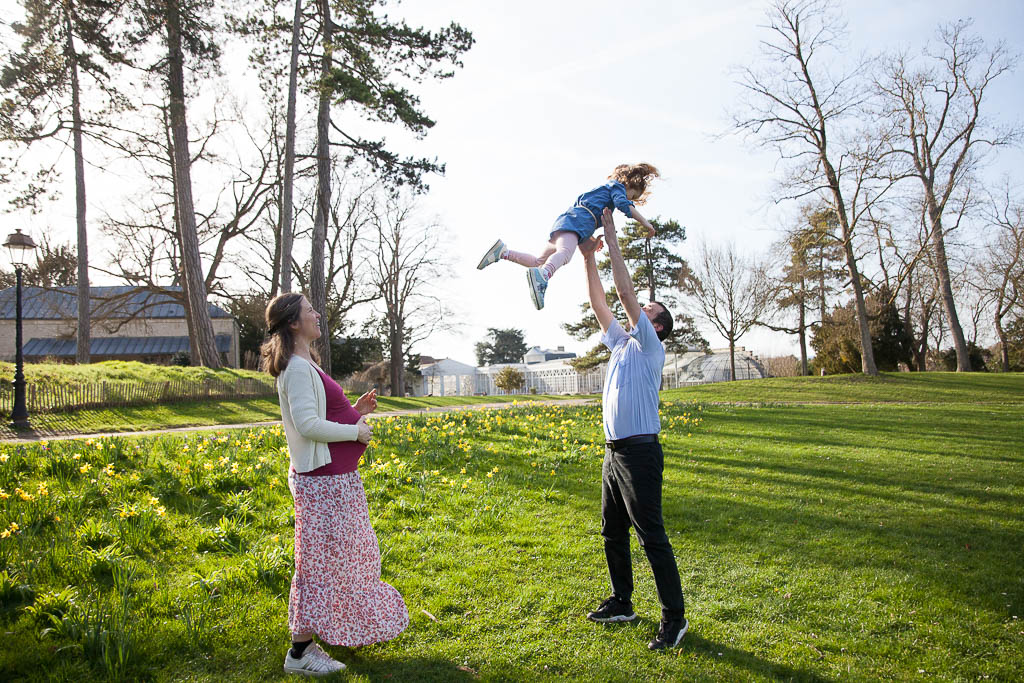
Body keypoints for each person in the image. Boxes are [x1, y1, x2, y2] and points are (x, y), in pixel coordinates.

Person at [260, 293, 409, 676]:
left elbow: (319, 415)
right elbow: (308, 425)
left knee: (350, 557)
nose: (317, 314)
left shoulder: (306, 363)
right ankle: (300, 651)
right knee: (318, 564)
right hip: (322, 484)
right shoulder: (296, 368)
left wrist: (354, 413)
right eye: (309, 310)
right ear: (294, 323)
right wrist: (354, 432)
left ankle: (339, 629)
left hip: (335, 481)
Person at [580, 208, 688, 650]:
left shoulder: (650, 348)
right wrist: (589, 256)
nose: (639, 309)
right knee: (612, 530)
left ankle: (674, 619)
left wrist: (611, 234)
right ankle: (622, 602)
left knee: (651, 537)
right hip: (614, 452)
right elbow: (600, 304)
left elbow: (624, 293)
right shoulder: (623, 344)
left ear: (656, 326)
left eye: (648, 310)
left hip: (640, 454)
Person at [476, 163, 660, 310]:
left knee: (538, 261)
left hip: (568, 222)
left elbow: (588, 213)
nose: (629, 199)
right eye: (632, 196)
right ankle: (544, 276)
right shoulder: (617, 187)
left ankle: (503, 252)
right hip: (575, 222)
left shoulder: (600, 192)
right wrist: (646, 223)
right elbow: (623, 205)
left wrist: (590, 239)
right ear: (630, 184)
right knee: (564, 255)